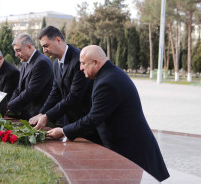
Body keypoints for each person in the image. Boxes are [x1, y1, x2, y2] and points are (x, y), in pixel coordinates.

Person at [47, 45, 170, 182]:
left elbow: (93, 118)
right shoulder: (107, 75)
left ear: (95, 62)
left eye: (83, 63)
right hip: (125, 146)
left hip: (132, 149)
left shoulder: (108, 82)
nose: (80, 68)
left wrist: (63, 131)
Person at [29, 26, 100, 143]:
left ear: (58, 40)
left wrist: (48, 117)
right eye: (42, 47)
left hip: (87, 124)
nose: (44, 51)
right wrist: (42, 113)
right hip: (70, 122)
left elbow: (74, 96)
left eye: (46, 46)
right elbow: (55, 93)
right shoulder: (56, 64)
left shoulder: (79, 59)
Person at [7, 33, 53, 120]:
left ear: (29, 47)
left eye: (18, 50)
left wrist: (9, 107)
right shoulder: (25, 63)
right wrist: (9, 106)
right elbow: (19, 89)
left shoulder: (42, 63)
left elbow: (30, 92)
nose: (16, 55)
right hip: (28, 114)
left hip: (40, 116)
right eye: (15, 51)